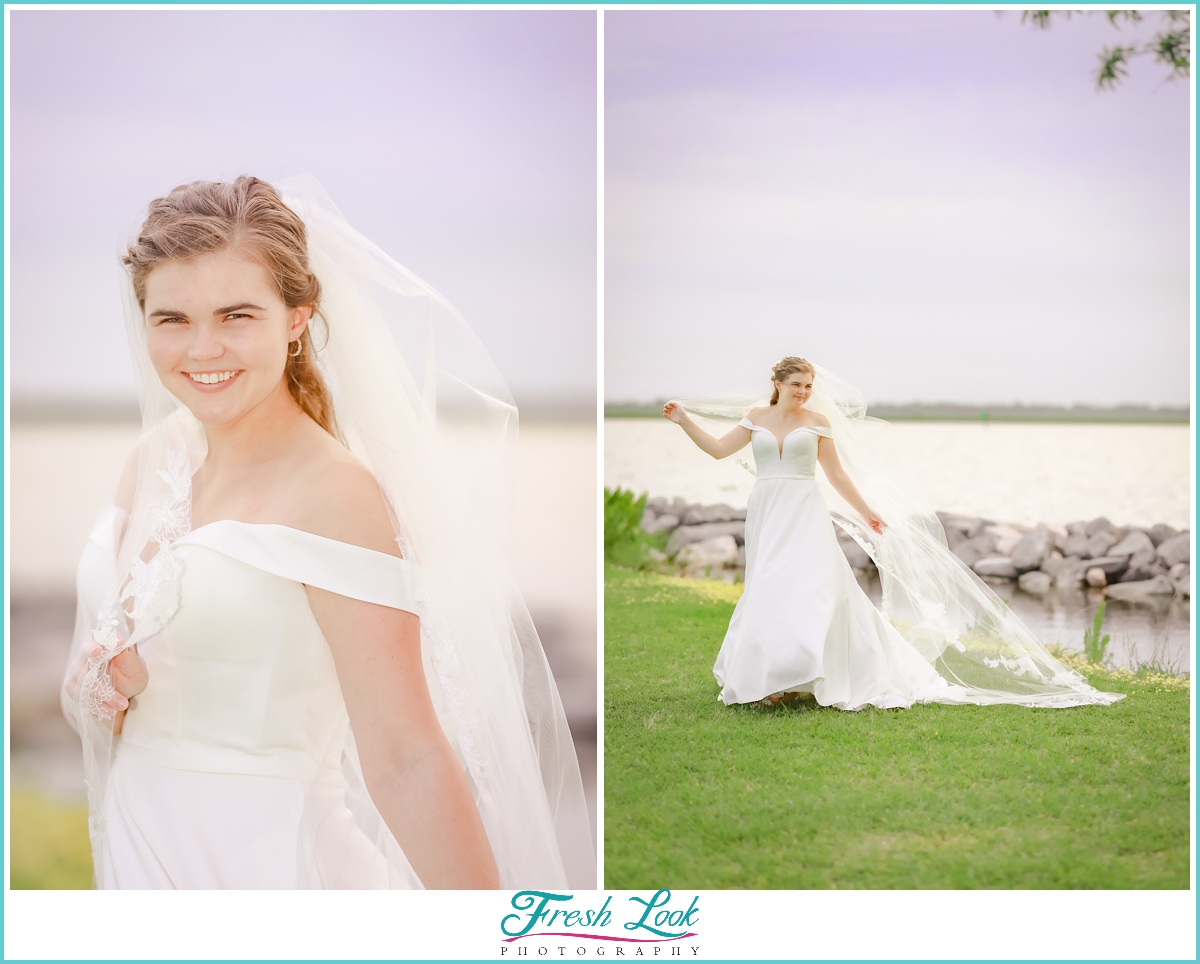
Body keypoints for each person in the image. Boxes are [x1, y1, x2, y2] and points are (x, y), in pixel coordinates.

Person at [61, 176, 594, 889]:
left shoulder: (336, 494)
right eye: (173, 319)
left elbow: (407, 755)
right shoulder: (150, 459)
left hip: (267, 868)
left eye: (237, 314)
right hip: (139, 847)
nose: (203, 348)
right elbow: (108, 682)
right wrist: (102, 686)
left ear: (297, 317)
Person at [664, 356, 1122, 711]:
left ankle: (796, 676)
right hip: (766, 508)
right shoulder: (754, 418)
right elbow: (720, 452)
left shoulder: (817, 423)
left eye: (808, 386)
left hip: (803, 509)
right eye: (796, 385)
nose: (804, 392)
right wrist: (685, 421)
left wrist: (867, 512)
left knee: (811, 589)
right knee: (768, 587)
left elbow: (837, 475)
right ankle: (772, 678)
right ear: (777, 383)